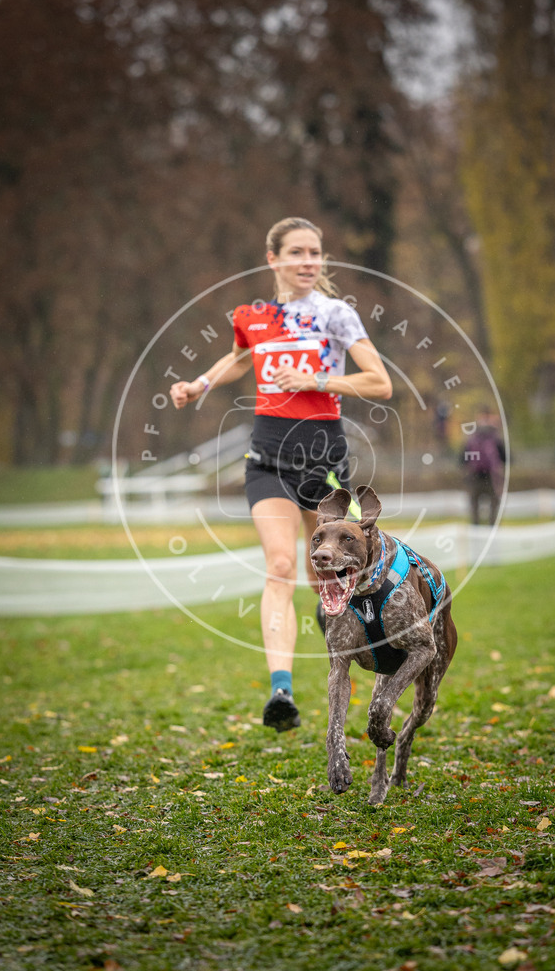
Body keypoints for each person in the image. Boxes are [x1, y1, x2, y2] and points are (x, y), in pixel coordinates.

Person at [170, 217, 392, 732]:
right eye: (297, 252)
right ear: (273, 258)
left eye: (315, 252)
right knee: (279, 564)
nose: (309, 261)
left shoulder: (335, 315)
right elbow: (239, 359)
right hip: (267, 458)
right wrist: (198, 384)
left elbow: (379, 382)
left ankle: (345, 629)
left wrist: (316, 379)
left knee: (330, 574)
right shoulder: (254, 316)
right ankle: (281, 692)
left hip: (324, 461)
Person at [460, 407, 506, 525]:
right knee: (494, 501)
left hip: (475, 474)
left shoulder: (472, 435)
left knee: (474, 502)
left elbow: (464, 457)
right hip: (491, 475)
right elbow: (504, 456)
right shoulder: (495, 435)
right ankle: (492, 526)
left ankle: (476, 528)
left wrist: (466, 469)